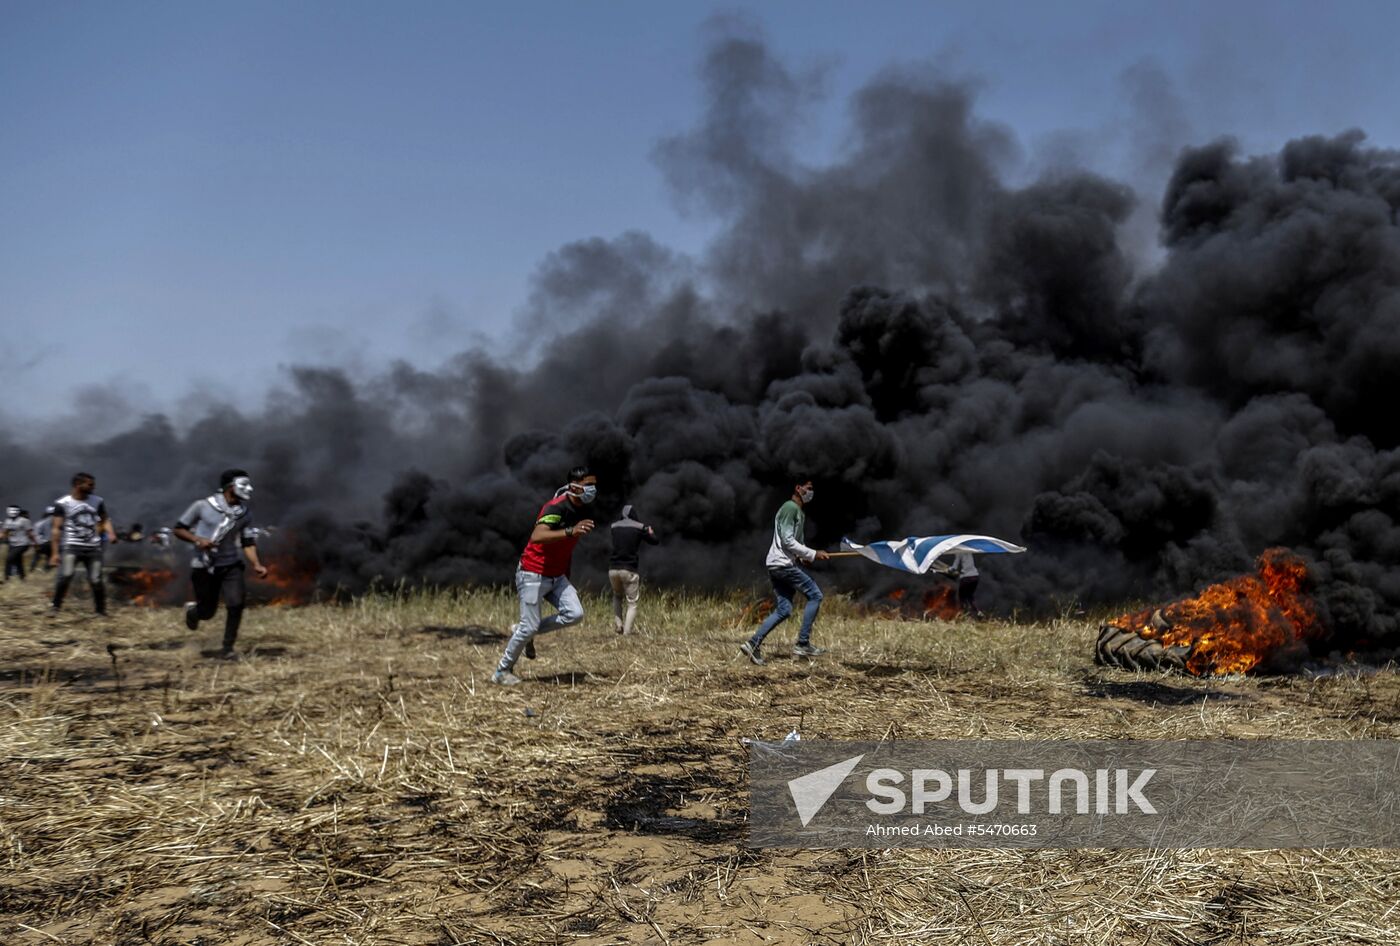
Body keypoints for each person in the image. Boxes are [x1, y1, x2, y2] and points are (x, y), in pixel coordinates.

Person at [492, 465, 597, 686]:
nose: (593, 489)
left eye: (594, 485)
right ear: (574, 487)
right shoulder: (555, 508)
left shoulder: (582, 510)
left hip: (556, 576)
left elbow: (566, 548)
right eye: (588, 485)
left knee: (575, 614)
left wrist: (565, 574)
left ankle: (522, 631)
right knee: (528, 626)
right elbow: (538, 535)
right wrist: (570, 531)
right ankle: (502, 671)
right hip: (533, 573)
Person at [174, 469, 268, 660]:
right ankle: (194, 612)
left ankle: (228, 647)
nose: (249, 488)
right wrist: (198, 539)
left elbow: (247, 542)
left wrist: (257, 564)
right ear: (230, 487)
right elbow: (178, 529)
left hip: (230, 565)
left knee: (236, 603)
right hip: (203, 565)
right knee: (207, 612)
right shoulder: (202, 505)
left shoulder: (244, 514)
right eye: (243, 484)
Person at [741, 478, 831, 665]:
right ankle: (802, 643)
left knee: (784, 609)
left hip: (777, 564)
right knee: (815, 595)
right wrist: (813, 554)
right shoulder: (790, 508)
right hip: (782, 565)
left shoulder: (797, 512)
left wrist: (802, 557)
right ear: (798, 488)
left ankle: (753, 644)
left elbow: (794, 544)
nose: (811, 492)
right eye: (809, 488)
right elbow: (788, 540)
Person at [50, 473, 118, 614]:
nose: (93, 487)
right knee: (66, 575)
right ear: (77, 485)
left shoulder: (97, 501)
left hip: (93, 547)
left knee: (96, 580)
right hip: (71, 546)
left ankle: (100, 610)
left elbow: (104, 520)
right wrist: (55, 553)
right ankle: (55, 606)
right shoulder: (62, 503)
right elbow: (56, 529)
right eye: (90, 484)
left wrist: (111, 533)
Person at [608, 504, 658, 635]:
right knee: (632, 603)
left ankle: (619, 625)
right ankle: (627, 633)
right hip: (629, 569)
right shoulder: (640, 527)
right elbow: (654, 541)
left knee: (617, 596)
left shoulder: (614, 527)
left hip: (613, 569)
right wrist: (650, 532)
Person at [3, 505, 37, 581]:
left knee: (9, 558)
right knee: (18, 561)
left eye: (15, 511)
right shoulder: (7, 521)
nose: (13, 512)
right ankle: (22, 578)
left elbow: (30, 533)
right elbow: (4, 532)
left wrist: (35, 543)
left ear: (18, 511)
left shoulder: (24, 521)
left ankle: (6, 578)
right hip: (12, 544)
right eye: (11, 510)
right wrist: (4, 536)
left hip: (23, 543)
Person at [948, 551, 983, 618]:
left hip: (966, 577)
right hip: (975, 576)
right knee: (970, 596)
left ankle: (963, 614)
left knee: (962, 597)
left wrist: (950, 569)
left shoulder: (959, 551)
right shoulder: (969, 550)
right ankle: (978, 612)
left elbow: (954, 567)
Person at [31, 506, 55, 572]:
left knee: (37, 557)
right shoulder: (54, 522)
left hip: (40, 543)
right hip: (48, 543)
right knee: (50, 556)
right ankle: (46, 569)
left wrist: (36, 543)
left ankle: (32, 569)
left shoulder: (39, 523)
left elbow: (35, 534)